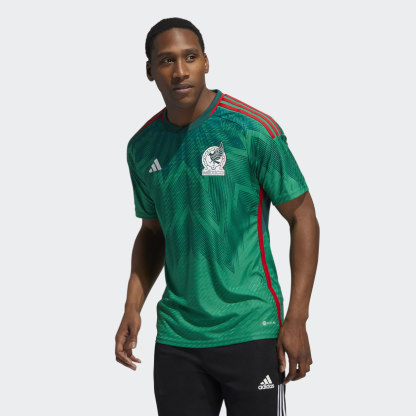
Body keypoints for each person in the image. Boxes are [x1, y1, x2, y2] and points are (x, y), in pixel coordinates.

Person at [115, 17, 320, 416]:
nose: (180, 71)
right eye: (167, 61)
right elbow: (152, 233)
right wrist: (132, 306)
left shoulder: (252, 130)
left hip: (251, 328)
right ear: (150, 70)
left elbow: (303, 217)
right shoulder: (142, 146)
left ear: (206, 62)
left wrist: (297, 317)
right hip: (178, 337)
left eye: (190, 57)